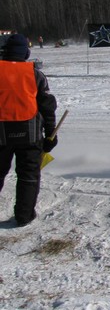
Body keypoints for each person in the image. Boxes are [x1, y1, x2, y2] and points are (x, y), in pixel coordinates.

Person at [0, 34, 57, 227]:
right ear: (26, 51)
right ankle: (24, 216)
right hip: (30, 134)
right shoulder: (34, 74)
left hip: (1, 135)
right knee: (28, 175)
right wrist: (51, 134)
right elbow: (47, 106)